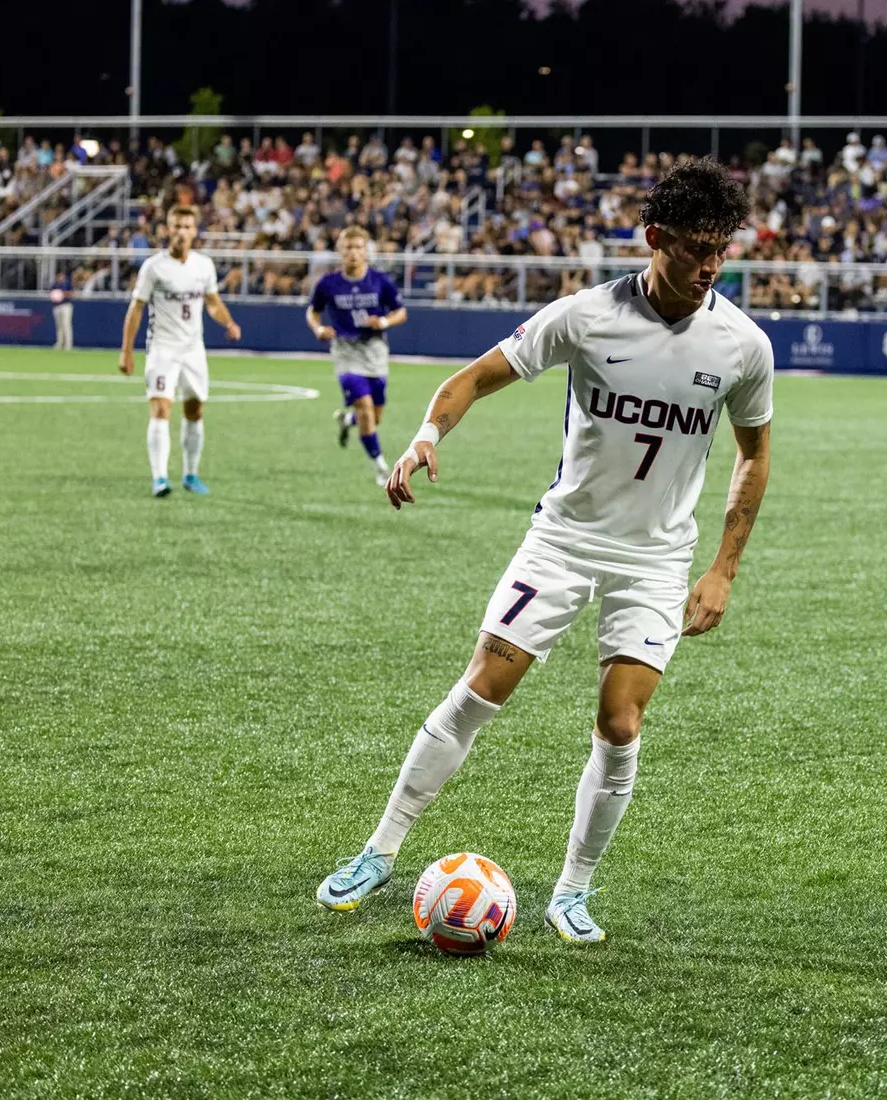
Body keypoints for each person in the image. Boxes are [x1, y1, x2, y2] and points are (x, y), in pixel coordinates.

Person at [315, 158, 775, 946]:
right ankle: (378, 851)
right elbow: (470, 379)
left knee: (621, 724)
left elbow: (754, 455)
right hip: (562, 541)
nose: (710, 265)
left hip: (656, 560)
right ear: (653, 238)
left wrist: (724, 568)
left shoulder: (741, 345)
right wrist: (425, 435)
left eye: (721, 249)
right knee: (480, 687)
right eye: (696, 247)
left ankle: (572, 890)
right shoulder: (585, 316)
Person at [118, 206, 241, 497]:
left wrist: (228, 321)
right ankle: (159, 478)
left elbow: (211, 301)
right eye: (177, 226)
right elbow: (136, 309)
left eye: (187, 226)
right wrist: (126, 351)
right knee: (161, 408)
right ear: (167, 230)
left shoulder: (203, 266)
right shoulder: (154, 267)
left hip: (193, 349)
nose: (182, 232)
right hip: (162, 348)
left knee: (195, 410)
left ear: (195, 230)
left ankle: (190, 474)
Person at [308, 226, 408, 487]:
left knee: (375, 417)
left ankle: (347, 420)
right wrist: (319, 329)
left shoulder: (379, 281)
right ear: (340, 251)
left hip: (374, 351)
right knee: (364, 407)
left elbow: (401, 312)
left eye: (358, 248)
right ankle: (381, 467)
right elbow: (313, 312)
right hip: (345, 351)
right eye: (348, 248)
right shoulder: (328, 283)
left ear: (366, 252)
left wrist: (384, 322)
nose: (353, 253)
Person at [50, 270, 74, 350]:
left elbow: (71, 294)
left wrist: (62, 294)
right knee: (59, 326)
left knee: (66, 325)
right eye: (58, 276)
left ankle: (68, 345)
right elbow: (51, 294)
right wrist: (55, 296)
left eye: (61, 275)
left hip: (66, 306)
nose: (60, 277)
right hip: (57, 306)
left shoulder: (67, 283)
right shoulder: (55, 284)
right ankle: (59, 343)